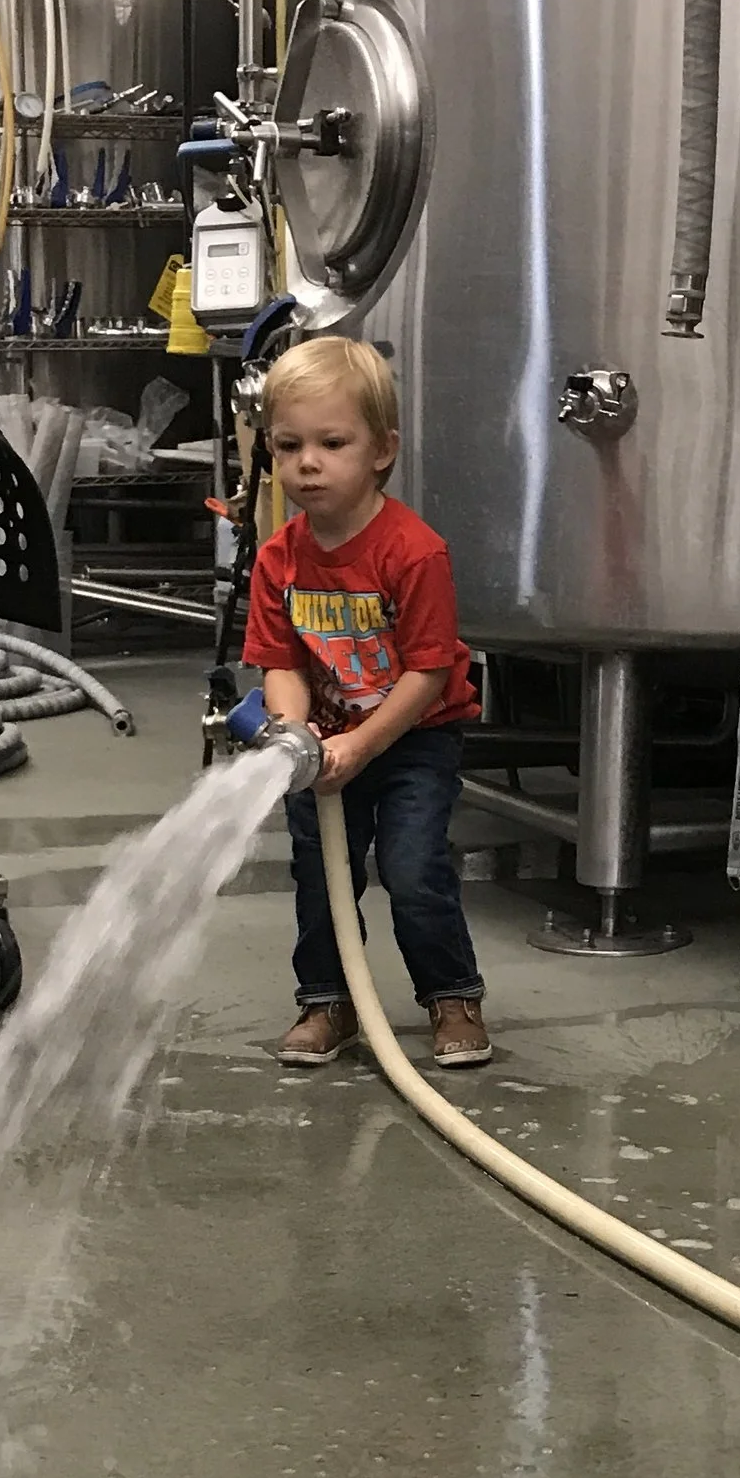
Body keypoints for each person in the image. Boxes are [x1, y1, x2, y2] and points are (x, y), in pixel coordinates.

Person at [242, 335, 492, 1069]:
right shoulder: (278, 558)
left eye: (332, 442)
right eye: (288, 445)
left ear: (382, 450)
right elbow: (279, 661)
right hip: (324, 744)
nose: (307, 463)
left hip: (413, 735)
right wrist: (294, 733)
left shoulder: (413, 553)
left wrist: (360, 745)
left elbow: (428, 674)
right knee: (321, 869)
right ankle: (327, 1000)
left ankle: (451, 993)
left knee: (413, 867)